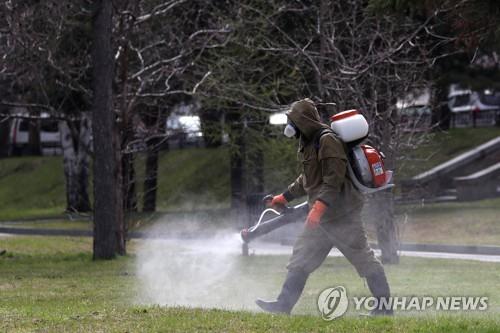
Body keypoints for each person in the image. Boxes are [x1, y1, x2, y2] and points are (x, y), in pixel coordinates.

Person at [255, 99, 392, 315]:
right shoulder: (310, 143)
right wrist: (284, 197)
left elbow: (333, 179)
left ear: (304, 121)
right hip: (322, 220)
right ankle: (283, 305)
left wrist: (318, 209)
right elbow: (308, 179)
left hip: (343, 214)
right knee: (300, 258)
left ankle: (384, 309)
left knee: (363, 258)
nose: (291, 127)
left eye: (293, 121)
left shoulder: (327, 141)